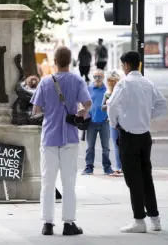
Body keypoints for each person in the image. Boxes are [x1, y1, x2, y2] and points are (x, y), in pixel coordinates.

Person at [31, 46, 92, 236]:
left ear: (55, 62)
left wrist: (51, 110)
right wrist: (81, 112)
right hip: (70, 137)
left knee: (48, 182)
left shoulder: (45, 81)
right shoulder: (77, 80)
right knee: (69, 182)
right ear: (70, 60)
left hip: (49, 137)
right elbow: (88, 103)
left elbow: (36, 110)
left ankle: (47, 224)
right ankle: (69, 223)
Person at [107, 51, 168, 233]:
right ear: (138, 64)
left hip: (129, 135)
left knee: (133, 179)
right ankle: (155, 218)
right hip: (144, 135)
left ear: (126, 65)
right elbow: (162, 104)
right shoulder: (148, 83)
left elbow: (111, 105)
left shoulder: (124, 84)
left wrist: (115, 122)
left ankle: (139, 220)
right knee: (146, 177)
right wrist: (147, 116)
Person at [82, 69, 114, 175]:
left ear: (103, 77)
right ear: (92, 77)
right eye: (95, 76)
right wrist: (85, 114)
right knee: (90, 147)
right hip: (91, 122)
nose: (97, 79)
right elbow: (82, 103)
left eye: (99, 77)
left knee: (106, 148)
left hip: (104, 122)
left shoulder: (108, 89)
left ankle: (107, 168)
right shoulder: (88, 89)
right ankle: (89, 168)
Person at [102, 71, 122, 176]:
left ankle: (125, 166)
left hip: (123, 121)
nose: (112, 83)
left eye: (114, 81)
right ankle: (119, 167)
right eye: (110, 81)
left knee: (125, 145)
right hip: (113, 122)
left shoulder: (122, 92)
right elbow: (102, 107)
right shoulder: (107, 94)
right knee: (116, 145)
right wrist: (109, 104)